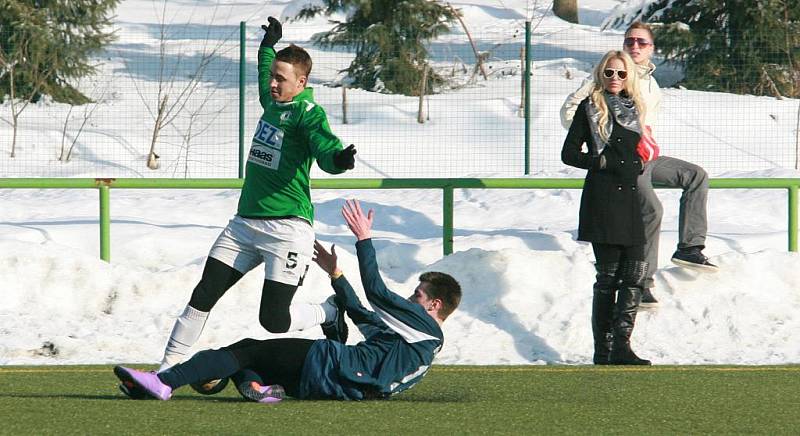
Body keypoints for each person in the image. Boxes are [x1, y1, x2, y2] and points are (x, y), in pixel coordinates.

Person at [158, 17, 357, 371]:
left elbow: (325, 147)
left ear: (302, 82)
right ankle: (166, 371)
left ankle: (328, 312)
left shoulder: (307, 114)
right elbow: (267, 66)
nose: (273, 83)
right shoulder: (273, 102)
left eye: (281, 78)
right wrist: (267, 46)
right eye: (273, 77)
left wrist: (338, 160)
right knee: (204, 294)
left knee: (274, 320)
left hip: (287, 228)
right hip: (244, 224)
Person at [115, 199, 463, 401]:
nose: (409, 298)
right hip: (330, 388)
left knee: (245, 349)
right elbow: (361, 314)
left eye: (417, 295)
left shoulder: (422, 328)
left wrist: (364, 240)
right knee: (254, 360)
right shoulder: (414, 345)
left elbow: (376, 293)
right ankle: (258, 386)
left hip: (329, 364)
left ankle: (163, 382)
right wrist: (335, 275)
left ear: (434, 306)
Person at [560, 21, 716, 308]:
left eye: (641, 42)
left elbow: (645, 122)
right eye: (630, 41)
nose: (634, 46)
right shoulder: (610, 75)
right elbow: (573, 108)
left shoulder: (648, 82)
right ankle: (642, 282)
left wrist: (644, 138)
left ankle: (690, 247)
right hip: (623, 162)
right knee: (652, 210)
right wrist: (601, 137)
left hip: (648, 155)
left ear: (651, 48)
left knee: (696, 176)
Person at [561, 50, 651, 365]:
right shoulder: (590, 108)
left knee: (635, 272)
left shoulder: (634, 108)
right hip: (602, 199)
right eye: (609, 73)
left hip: (628, 200)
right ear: (601, 75)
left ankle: (621, 346)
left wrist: (638, 160)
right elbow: (569, 153)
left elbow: (638, 147)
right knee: (608, 278)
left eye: (621, 74)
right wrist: (599, 161)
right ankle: (605, 349)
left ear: (630, 77)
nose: (615, 79)